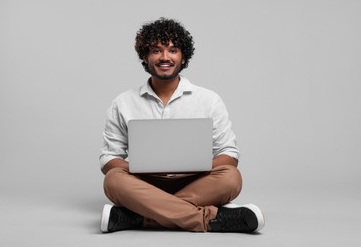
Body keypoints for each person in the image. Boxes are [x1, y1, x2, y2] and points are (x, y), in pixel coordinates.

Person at [99, 17, 265, 233]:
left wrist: (199, 164)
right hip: (145, 183)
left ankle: (139, 217)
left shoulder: (209, 99)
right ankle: (211, 219)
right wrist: (138, 167)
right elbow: (108, 158)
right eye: (156, 51)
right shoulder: (123, 102)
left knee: (231, 178)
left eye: (173, 50)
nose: (165, 57)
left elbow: (229, 154)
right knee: (113, 181)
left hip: (196, 182)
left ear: (183, 56)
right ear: (145, 57)